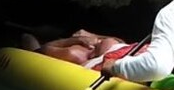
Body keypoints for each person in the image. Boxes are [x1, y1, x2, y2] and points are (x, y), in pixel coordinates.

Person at [20, 29, 149, 70]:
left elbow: (119, 41)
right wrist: (73, 41)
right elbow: (40, 52)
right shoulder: (74, 54)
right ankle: (23, 35)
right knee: (27, 38)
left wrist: (94, 36)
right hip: (77, 51)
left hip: (106, 54)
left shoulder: (113, 44)